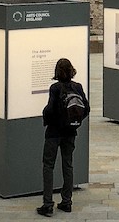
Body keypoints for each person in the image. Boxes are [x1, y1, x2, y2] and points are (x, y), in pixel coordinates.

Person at [37, 58, 89, 217]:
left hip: (54, 132)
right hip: (70, 132)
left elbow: (50, 109)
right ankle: (67, 201)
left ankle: (47, 204)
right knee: (68, 165)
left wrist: (46, 117)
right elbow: (86, 108)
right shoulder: (78, 87)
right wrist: (74, 122)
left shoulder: (55, 88)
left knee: (48, 166)